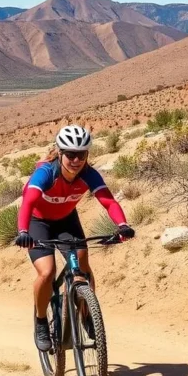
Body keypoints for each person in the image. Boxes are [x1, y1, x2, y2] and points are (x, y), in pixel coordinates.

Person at [14, 125, 135, 352]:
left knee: (83, 268)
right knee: (47, 272)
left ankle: (88, 315)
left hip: (66, 221)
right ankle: (41, 321)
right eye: (70, 154)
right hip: (37, 223)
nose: (76, 159)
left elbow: (108, 201)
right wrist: (23, 232)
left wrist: (123, 225)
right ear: (60, 153)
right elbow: (28, 202)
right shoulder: (47, 173)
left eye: (81, 154)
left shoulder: (89, 174)